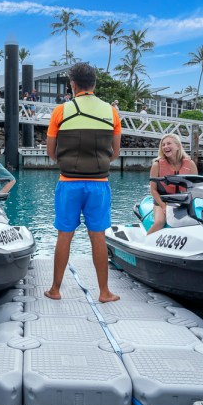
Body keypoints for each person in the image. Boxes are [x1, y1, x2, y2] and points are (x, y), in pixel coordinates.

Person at [44, 63, 121, 304]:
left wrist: (68, 162)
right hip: (99, 183)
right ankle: (104, 292)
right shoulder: (111, 112)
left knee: (64, 235)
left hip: (69, 182)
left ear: (73, 85)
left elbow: (51, 152)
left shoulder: (60, 111)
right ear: (94, 84)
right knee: (97, 235)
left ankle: (55, 289)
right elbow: (115, 152)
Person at [146, 134, 198, 235]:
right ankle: (143, 244)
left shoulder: (190, 164)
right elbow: (153, 190)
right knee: (159, 222)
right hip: (162, 201)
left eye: (169, 143)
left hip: (183, 202)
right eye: (163, 145)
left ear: (178, 146)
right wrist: (163, 206)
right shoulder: (156, 165)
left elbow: (195, 188)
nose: (165, 147)